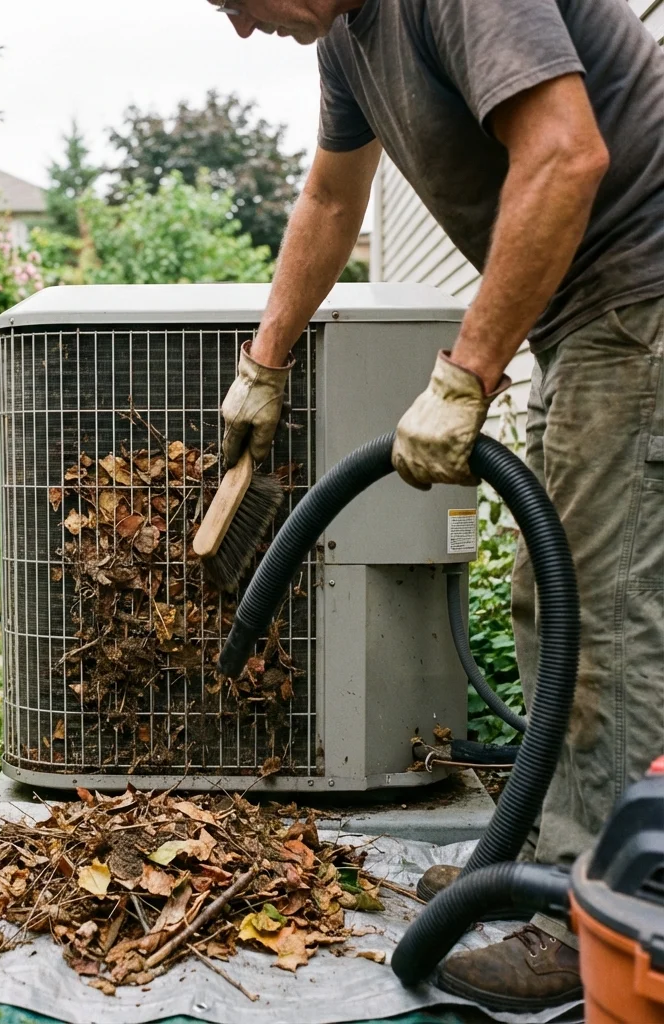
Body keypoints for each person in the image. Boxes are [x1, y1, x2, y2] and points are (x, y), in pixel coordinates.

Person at [212, 0, 664, 1012]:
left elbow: (566, 154)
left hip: (643, 295)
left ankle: (592, 920)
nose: (240, 28)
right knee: (554, 601)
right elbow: (331, 196)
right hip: (588, 315)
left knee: (605, 621)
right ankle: (537, 861)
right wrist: (263, 364)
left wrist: (464, 376)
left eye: (234, 0)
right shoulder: (345, 36)